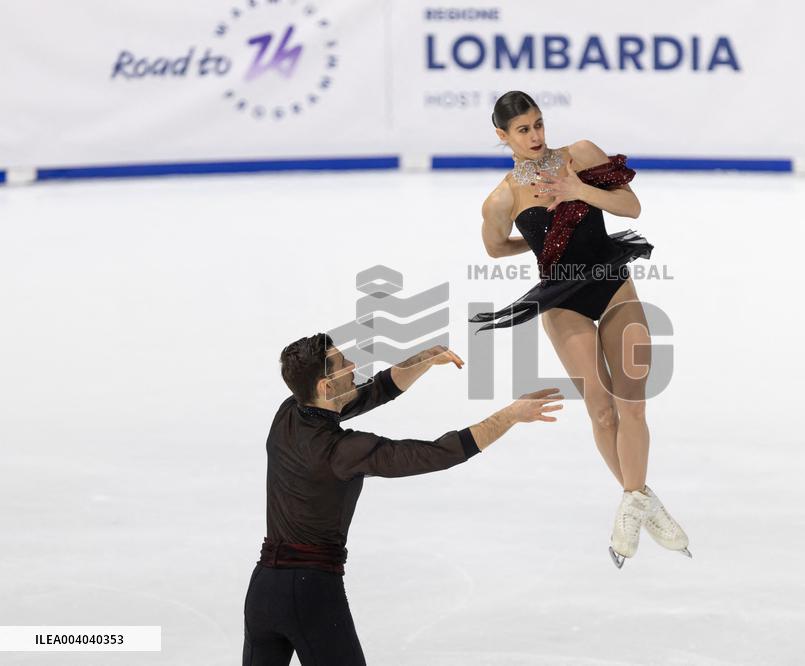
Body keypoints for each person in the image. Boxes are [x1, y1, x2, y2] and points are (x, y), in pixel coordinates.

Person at [243, 334, 563, 666]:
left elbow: (372, 392)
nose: (353, 366)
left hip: (262, 591)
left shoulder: (287, 414)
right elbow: (437, 454)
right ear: (325, 387)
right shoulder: (344, 452)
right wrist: (509, 416)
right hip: (311, 594)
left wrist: (420, 360)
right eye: (343, 365)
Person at [470, 90, 691, 568]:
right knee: (602, 409)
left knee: (633, 402)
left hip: (613, 285)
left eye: (538, 124)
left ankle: (634, 502)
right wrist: (537, 247)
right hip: (562, 300)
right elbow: (494, 248)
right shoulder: (501, 199)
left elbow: (630, 208)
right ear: (502, 136)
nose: (534, 136)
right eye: (522, 129)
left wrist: (579, 191)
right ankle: (642, 500)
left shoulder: (581, 155)